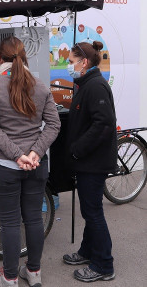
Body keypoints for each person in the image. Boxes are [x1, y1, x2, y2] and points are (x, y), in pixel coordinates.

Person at [0, 36, 60, 287]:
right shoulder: (40, 86)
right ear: (24, 56)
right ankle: (34, 273)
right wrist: (35, 152)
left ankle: (10, 278)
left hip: (5, 165)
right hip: (36, 165)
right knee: (34, 218)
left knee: (10, 222)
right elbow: (54, 125)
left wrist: (18, 155)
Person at [62, 41, 116, 283]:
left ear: (84, 63)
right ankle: (87, 251)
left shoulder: (95, 86)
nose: (68, 65)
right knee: (89, 209)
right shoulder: (87, 84)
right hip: (87, 161)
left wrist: (77, 150)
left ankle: (104, 264)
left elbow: (103, 124)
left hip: (93, 162)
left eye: (71, 61)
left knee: (92, 212)